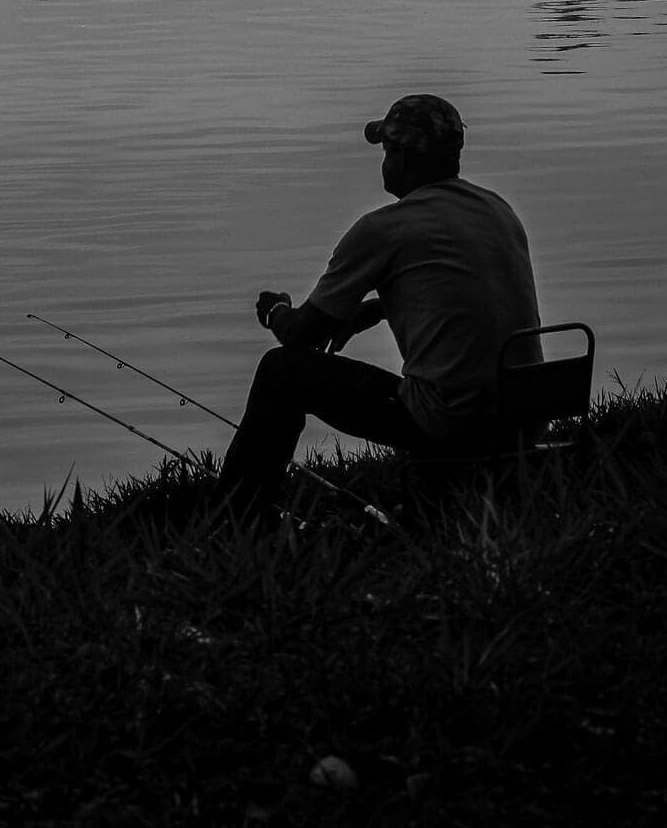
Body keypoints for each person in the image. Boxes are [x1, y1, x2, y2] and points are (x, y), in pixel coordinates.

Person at [218, 94, 541, 525]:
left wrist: (276, 310)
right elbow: (462, 293)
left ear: (403, 156)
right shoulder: (497, 210)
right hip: (526, 417)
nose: (384, 162)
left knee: (282, 370)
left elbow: (301, 336)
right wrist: (375, 310)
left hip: (453, 422)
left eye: (387, 151)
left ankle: (235, 518)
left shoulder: (384, 229)